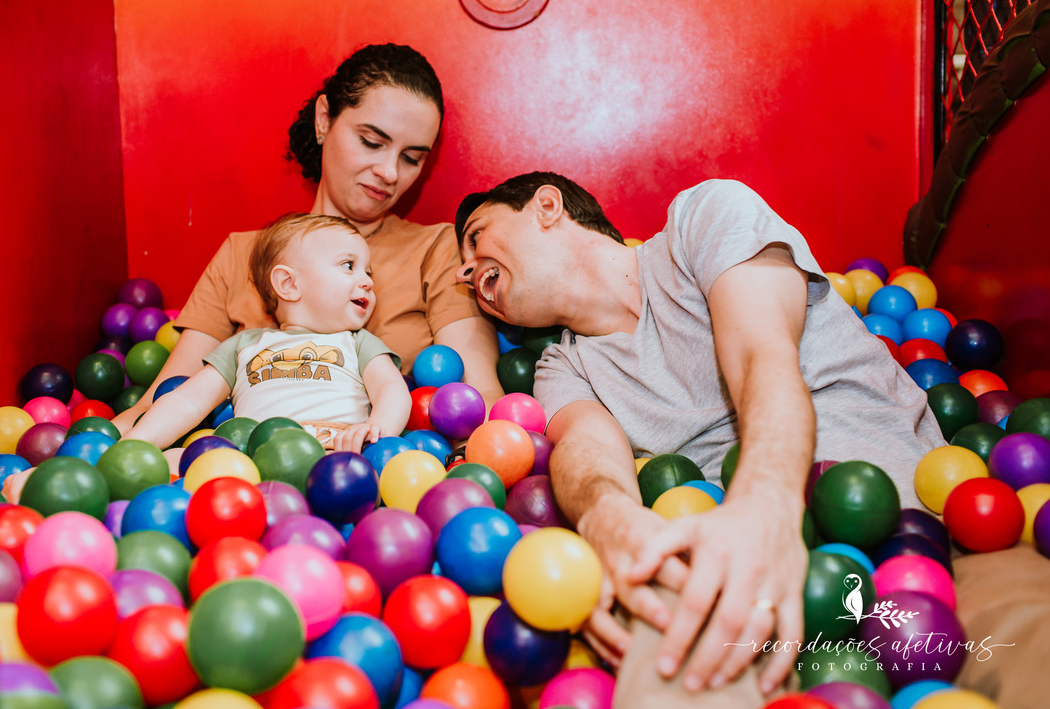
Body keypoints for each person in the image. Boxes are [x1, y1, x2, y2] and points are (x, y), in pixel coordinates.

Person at [453, 173, 947, 705]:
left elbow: (762, 356)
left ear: (546, 207)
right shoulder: (562, 368)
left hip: (898, 530)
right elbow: (587, 449)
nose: (466, 267)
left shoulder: (702, 218)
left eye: (477, 236)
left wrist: (763, 505)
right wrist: (608, 520)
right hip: (735, 571)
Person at [112, 43, 503, 434]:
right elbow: (168, 398)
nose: (389, 171)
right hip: (242, 469)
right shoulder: (243, 253)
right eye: (371, 141)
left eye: (411, 158)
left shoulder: (436, 250)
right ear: (323, 120)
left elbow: (477, 396)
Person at [123, 213, 410, 453]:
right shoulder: (244, 345)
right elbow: (189, 400)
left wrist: (377, 429)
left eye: (368, 272)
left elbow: (391, 389)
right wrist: (135, 444)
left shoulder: (358, 343)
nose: (368, 282)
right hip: (253, 456)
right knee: (176, 460)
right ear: (288, 284)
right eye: (349, 266)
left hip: (335, 453)